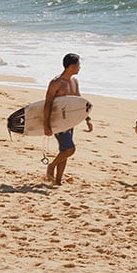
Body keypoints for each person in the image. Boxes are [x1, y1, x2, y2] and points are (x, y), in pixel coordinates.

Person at [44, 52, 91, 185]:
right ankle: (51, 166)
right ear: (71, 66)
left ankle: (57, 181)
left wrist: (87, 119)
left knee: (64, 151)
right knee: (70, 149)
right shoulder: (56, 83)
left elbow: (79, 102)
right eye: (78, 65)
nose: (79, 67)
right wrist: (46, 125)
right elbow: (47, 103)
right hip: (58, 122)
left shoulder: (74, 82)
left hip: (70, 121)